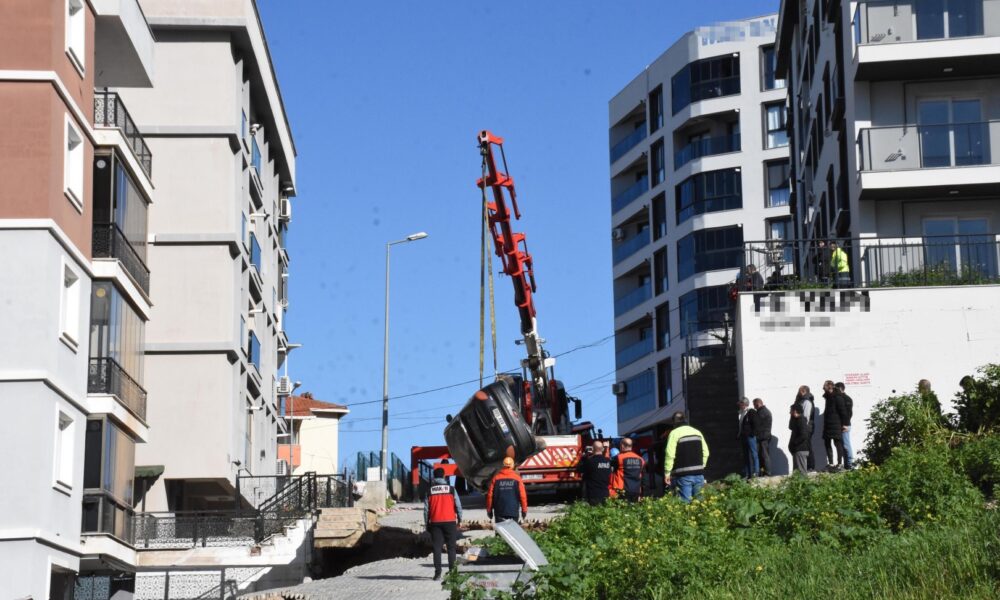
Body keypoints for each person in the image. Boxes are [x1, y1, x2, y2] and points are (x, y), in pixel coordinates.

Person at [423, 467, 462, 580]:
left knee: (437, 548)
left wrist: (427, 523)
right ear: (444, 476)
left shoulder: (430, 491)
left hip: (435, 522)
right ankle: (452, 573)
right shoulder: (451, 489)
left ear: (434, 477)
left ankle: (437, 574)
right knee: (451, 548)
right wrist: (460, 519)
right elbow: (458, 506)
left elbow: (426, 510)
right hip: (450, 521)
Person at [663, 411, 710, 502]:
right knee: (700, 504)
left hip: (683, 476)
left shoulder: (674, 433)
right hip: (699, 474)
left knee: (685, 504)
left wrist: (667, 473)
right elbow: (706, 452)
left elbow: (670, 454)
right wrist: (701, 466)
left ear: (674, 422)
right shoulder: (697, 432)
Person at [486, 457, 528, 523]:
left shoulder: (496, 478)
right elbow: (523, 496)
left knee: (501, 529)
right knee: (513, 529)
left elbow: (489, 496)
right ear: (512, 465)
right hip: (513, 511)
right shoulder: (517, 478)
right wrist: (524, 510)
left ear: (503, 465)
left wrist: (489, 510)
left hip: (499, 512)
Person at [575, 441, 612, 506]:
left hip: (593, 494)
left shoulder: (589, 461)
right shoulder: (607, 461)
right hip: (605, 493)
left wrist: (583, 458)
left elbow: (578, 469)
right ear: (602, 449)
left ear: (593, 449)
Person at [821, 380, 848, 470]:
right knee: (827, 443)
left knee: (837, 443)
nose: (823, 388)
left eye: (824, 387)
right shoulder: (828, 397)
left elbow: (843, 412)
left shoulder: (838, 397)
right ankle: (831, 463)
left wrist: (845, 424)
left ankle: (840, 463)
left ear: (830, 386)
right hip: (828, 424)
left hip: (836, 424)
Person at [610, 437, 645, 502]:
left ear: (622, 446)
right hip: (636, 491)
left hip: (622, 491)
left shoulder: (618, 458)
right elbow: (643, 477)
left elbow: (606, 463)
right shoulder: (641, 459)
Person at [794, 385, 816, 471]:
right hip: (805, 427)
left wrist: (803, 427)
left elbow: (806, 416)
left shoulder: (807, 402)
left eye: (799, 391)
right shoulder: (803, 400)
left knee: (807, 446)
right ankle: (807, 466)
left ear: (803, 391)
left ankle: (810, 466)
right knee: (805, 446)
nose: (798, 393)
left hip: (806, 427)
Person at [737, 397, 759, 478]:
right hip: (743, 437)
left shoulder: (751, 412)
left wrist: (752, 434)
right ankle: (748, 473)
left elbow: (756, 424)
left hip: (750, 437)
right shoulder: (741, 413)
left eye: (740, 404)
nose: (739, 406)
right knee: (745, 455)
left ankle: (756, 472)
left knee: (753, 454)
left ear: (744, 404)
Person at [835, 382, 854, 470]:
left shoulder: (846, 399)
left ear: (840, 388)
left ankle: (850, 464)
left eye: (836, 389)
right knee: (843, 445)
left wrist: (845, 424)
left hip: (845, 425)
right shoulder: (841, 398)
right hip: (842, 425)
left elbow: (848, 413)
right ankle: (847, 465)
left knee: (846, 445)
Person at [752, 398, 773, 476]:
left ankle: (767, 472)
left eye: (754, 405)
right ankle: (763, 471)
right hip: (763, 436)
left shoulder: (762, 412)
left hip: (763, 437)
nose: (754, 407)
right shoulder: (762, 411)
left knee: (764, 455)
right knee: (762, 455)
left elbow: (757, 424)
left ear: (758, 404)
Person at [788, 404, 810, 475]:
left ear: (795, 411)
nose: (789, 412)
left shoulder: (801, 420)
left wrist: (794, 443)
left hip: (800, 449)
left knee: (801, 473)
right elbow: (790, 427)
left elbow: (804, 435)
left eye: (791, 410)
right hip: (797, 450)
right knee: (797, 473)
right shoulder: (797, 420)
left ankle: (803, 482)